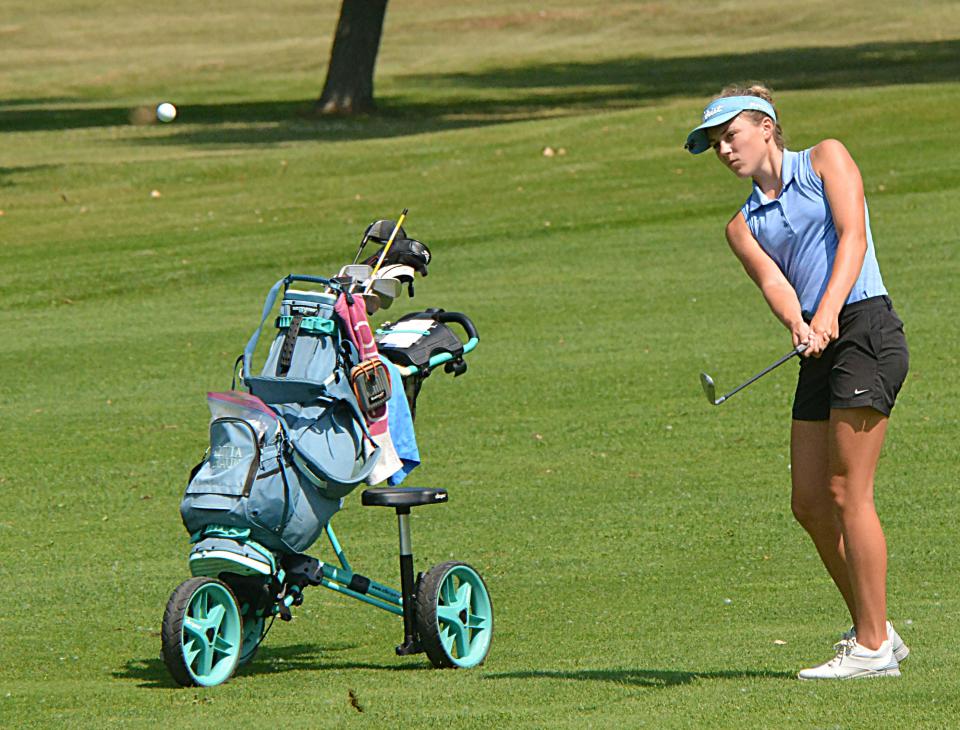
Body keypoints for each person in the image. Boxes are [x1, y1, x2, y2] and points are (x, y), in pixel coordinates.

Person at [684, 85, 910, 679]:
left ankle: (870, 647)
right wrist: (798, 321)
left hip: (864, 325)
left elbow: (852, 237)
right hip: (818, 341)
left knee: (846, 492)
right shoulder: (741, 225)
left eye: (730, 136)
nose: (724, 150)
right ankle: (878, 627)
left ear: (765, 127)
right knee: (809, 503)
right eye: (714, 145)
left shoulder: (826, 158)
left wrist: (829, 311)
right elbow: (775, 285)